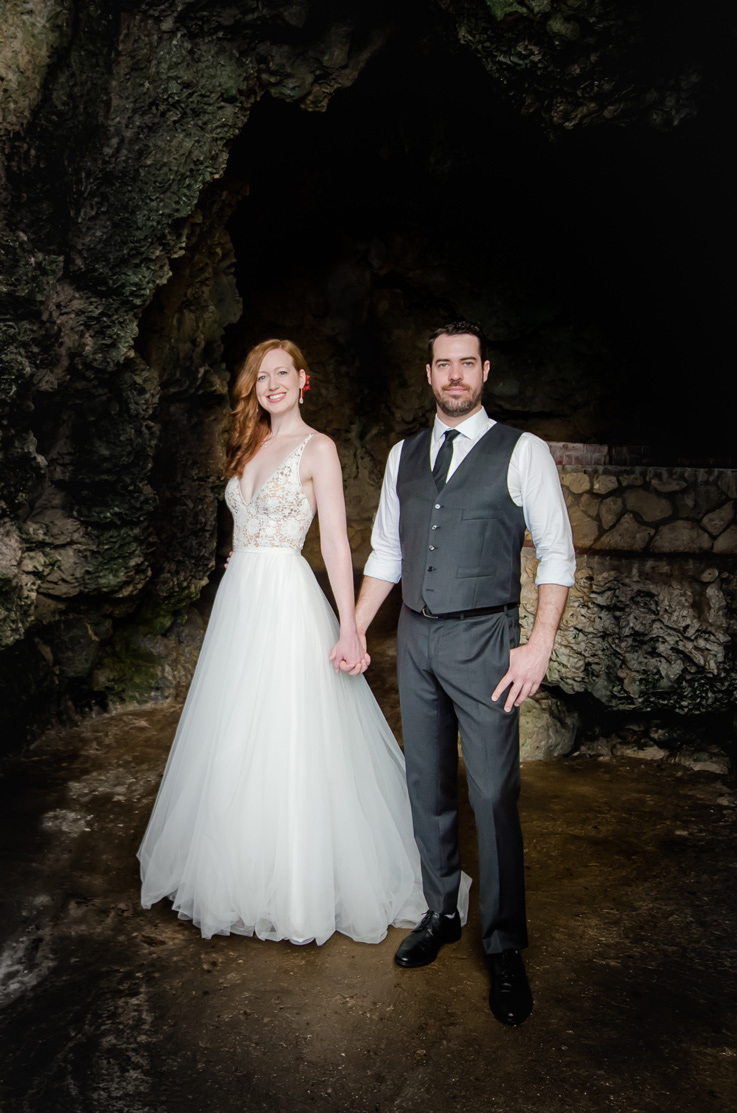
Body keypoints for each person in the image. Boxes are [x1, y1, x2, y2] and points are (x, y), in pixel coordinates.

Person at [138, 338, 441, 946]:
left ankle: (298, 884)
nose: (271, 382)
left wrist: (350, 625)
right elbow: (248, 519)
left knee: (290, 730)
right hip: (241, 600)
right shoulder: (249, 445)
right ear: (253, 386)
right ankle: (236, 873)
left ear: (303, 381)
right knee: (234, 728)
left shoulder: (318, 448)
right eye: (261, 375)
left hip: (287, 600)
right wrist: (239, 553)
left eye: (283, 372)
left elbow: (332, 541)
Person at [351, 320, 575, 1024]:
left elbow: (558, 555)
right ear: (428, 375)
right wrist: (354, 626)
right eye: (442, 364)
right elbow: (386, 551)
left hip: (485, 638)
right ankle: (441, 908)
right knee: (426, 784)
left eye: (465, 364)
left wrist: (536, 643)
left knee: (492, 791)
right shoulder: (403, 455)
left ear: (484, 372)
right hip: (414, 636)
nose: (453, 375)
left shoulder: (523, 451)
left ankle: (503, 944)